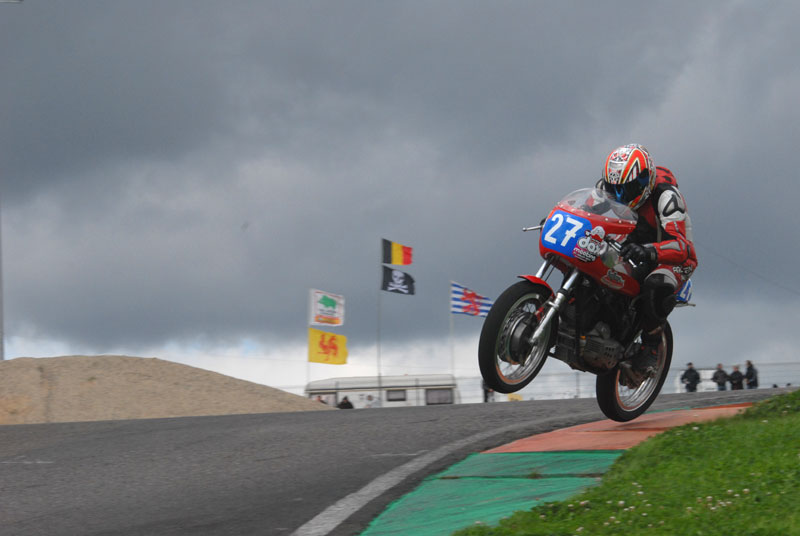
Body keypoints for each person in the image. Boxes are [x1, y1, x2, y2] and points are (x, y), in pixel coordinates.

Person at [600, 145, 697, 373]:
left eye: (628, 188)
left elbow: (682, 246)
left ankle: (651, 349)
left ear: (645, 181)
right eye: (615, 188)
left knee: (655, 283)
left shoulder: (666, 197)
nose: (620, 196)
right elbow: (589, 208)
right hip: (633, 243)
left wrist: (650, 251)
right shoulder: (607, 187)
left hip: (673, 255)